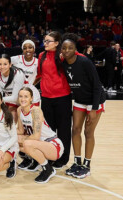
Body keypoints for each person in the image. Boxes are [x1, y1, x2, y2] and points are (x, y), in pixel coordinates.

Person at [61, 33, 105, 179]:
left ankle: (87, 165)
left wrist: (94, 109)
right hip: (79, 100)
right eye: (64, 48)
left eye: (70, 48)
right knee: (75, 130)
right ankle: (77, 162)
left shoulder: (84, 62)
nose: (67, 50)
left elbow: (97, 86)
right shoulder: (63, 64)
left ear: (75, 50)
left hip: (94, 101)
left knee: (88, 132)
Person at [37, 31, 72, 169]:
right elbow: (39, 75)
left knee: (63, 129)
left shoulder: (63, 56)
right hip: (46, 98)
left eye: (48, 41)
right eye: (44, 41)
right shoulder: (41, 56)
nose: (45, 43)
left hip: (62, 97)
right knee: (49, 130)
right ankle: (51, 156)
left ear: (57, 43)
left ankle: (63, 158)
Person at [17, 87, 64, 183]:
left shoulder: (36, 111)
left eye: (26, 96)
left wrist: (19, 140)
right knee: (14, 141)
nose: (23, 99)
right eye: (21, 96)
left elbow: (36, 136)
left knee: (26, 144)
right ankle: (36, 161)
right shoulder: (19, 110)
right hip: (39, 144)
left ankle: (48, 169)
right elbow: (20, 130)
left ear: (31, 98)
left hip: (53, 145)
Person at [0, 54, 25, 123]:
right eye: (0, 64)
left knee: (12, 121)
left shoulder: (18, 74)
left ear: (10, 64)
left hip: (27, 98)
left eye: (5, 64)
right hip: (11, 98)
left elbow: (15, 98)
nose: (2, 67)